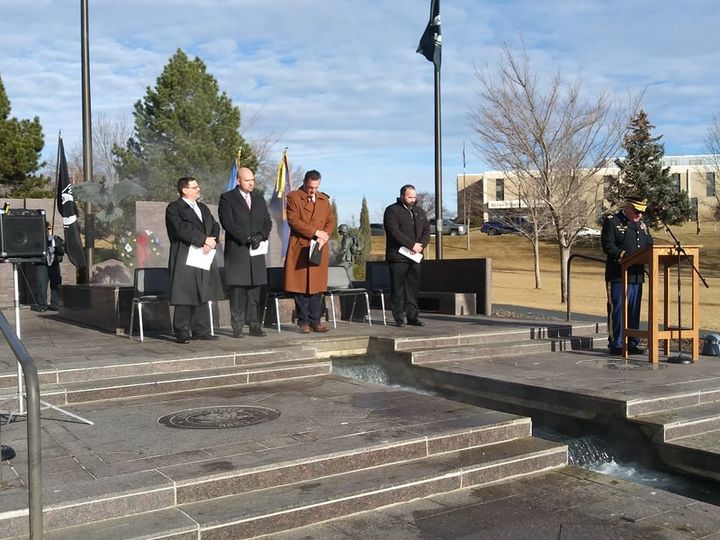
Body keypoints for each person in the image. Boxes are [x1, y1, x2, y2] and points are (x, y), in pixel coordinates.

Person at [165, 176, 225, 344]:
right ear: (185, 190)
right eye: (195, 187)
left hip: (204, 253)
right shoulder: (174, 208)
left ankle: (201, 329)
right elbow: (181, 229)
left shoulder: (203, 208)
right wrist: (203, 240)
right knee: (185, 292)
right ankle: (182, 330)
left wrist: (211, 240)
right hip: (185, 254)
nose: (198, 189)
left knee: (202, 289)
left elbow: (214, 225)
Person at [219, 167, 272, 338]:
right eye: (248, 180)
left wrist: (260, 236)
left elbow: (267, 222)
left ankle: (254, 325)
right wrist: (247, 238)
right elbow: (228, 223)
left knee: (254, 292)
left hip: (256, 252)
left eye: (253, 180)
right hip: (238, 251)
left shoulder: (258, 198)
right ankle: (238, 326)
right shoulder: (227, 198)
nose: (251, 183)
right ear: (238, 181)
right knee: (238, 291)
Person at [601, 194, 654, 355]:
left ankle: (632, 342)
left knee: (633, 311)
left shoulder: (642, 224)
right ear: (628, 207)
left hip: (636, 275)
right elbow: (607, 244)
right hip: (618, 275)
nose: (640, 215)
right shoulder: (613, 221)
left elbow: (649, 243)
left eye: (642, 212)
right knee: (617, 309)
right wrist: (622, 255)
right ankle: (616, 343)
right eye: (637, 211)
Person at [284, 170, 335, 333]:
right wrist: (315, 232)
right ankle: (303, 322)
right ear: (305, 183)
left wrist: (324, 235)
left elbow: (330, 220)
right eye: (311, 187)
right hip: (300, 246)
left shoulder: (324, 199)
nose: (313, 190)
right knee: (301, 287)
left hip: (318, 246)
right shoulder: (293, 197)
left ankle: (316, 321)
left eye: (316, 187)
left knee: (317, 287)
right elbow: (294, 221)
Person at [383, 184, 430, 327]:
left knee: (412, 288)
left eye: (414, 197)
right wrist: (411, 245)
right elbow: (393, 231)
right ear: (402, 196)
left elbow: (426, 230)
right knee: (398, 288)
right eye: (410, 197)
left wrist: (421, 245)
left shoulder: (419, 211)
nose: (413, 200)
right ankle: (398, 317)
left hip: (415, 256)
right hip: (398, 256)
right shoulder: (392, 210)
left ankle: (412, 316)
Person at [33, 221, 65, 312]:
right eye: (46, 229)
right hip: (42, 265)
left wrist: (56, 247)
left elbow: (62, 251)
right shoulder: (38, 240)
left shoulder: (56, 239)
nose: (48, 231)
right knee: (41, 284)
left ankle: (55, 304)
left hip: (54, 265)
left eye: (49, 229)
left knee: (56, 284)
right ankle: (42, 305)